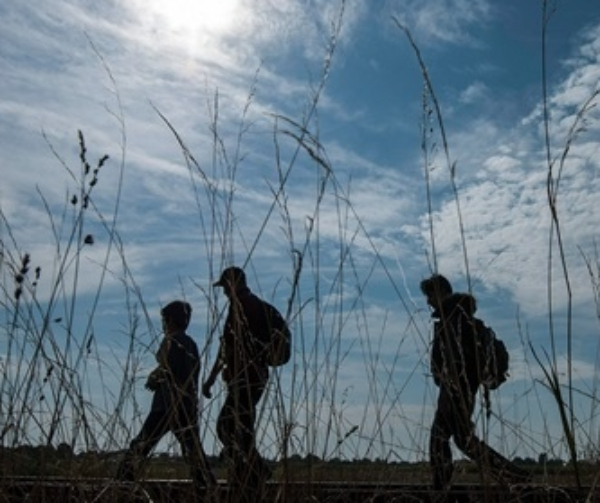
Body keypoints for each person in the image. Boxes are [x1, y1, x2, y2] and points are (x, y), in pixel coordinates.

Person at [420, 274, 529, 493]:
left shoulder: (455, 320)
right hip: (460, 388)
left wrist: (452, 380)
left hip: (457, 389)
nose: (428, 301)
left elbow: (462, 358)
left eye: (430, 295)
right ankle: (512, 475)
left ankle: (442, 488)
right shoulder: (458, 318)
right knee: (460, 439)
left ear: (441, 292)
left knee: (443, 439)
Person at [116, 300, 215, 495]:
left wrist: (155, 379)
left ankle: (123, 479)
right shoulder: (189, 344)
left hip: (168, 405)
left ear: (169, 320)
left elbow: (170, 371)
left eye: (164, 320)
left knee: (142, 443)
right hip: (185, 405)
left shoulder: (176, 342)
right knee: (191, 448)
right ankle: (205, 482)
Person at [203, 266, 273, 500]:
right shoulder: (252, 305)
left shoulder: (241, 307)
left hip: (246, 378)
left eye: (225, 287)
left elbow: (227, 348)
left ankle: (254, 472)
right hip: (253, 376)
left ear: (233, 285)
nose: (223, 292)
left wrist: (212, 378)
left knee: (227, 425)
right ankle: (249, 473)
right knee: (242, 428)